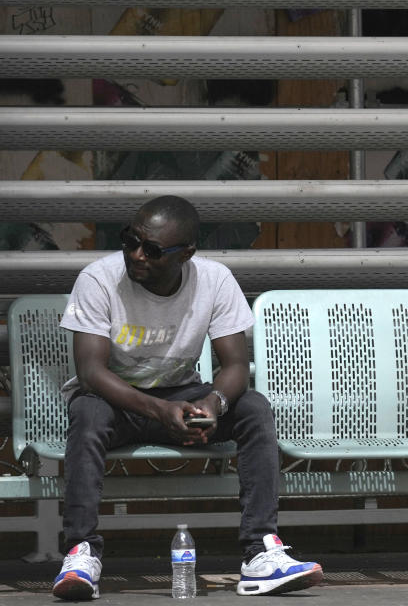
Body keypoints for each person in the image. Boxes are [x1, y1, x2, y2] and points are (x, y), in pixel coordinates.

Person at [52, 196, 323, 600]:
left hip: (180, 397)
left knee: (252, 407)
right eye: (131, 240)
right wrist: (160, 411)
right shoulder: (99, 279)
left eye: (153, 250)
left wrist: (212, 406)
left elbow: (234, 365)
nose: (137, 254)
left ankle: (260, 551)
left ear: (187, 254)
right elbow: (91, 373)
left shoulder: (213, 280)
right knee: (87, 413)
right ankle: (81, 552)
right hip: (118, 401)